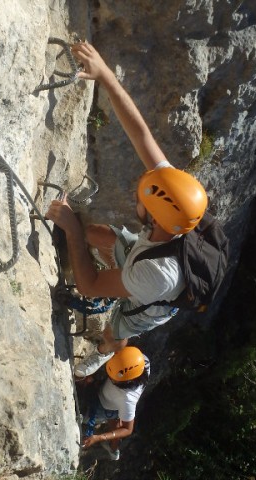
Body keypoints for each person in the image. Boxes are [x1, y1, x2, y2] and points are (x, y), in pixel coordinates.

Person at [45, 41, 208, 378]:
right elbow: (141, 135)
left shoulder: (154, 278)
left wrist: (71, 229)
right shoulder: (178, 201)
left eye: (140, 199)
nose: (138, 191)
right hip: (149, 258)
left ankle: (104, 354)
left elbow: (90, 285)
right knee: (96, 235)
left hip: (152, 300)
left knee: (117, 327)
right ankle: (102, 271)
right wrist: (105, 75)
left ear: (154, 216)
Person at [80, 346, 150, 460]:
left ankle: (112, 449)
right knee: (115, 419)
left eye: (114, 379)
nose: (111, 378)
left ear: (125, 382)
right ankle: (113, 450)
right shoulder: (139, 360)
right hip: (113, 402)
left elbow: (128, 429)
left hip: (105, 407)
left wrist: (98, 437)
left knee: (80, 415)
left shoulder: (128, 399)